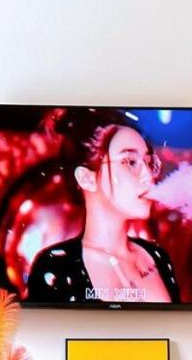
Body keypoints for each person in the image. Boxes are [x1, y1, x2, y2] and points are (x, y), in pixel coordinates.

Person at [26, 108, 181, 304]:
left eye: (149, 162)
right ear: (87, 178)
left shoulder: (157, 257)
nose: (149, 177)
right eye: (130, 162)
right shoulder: (57, 267)